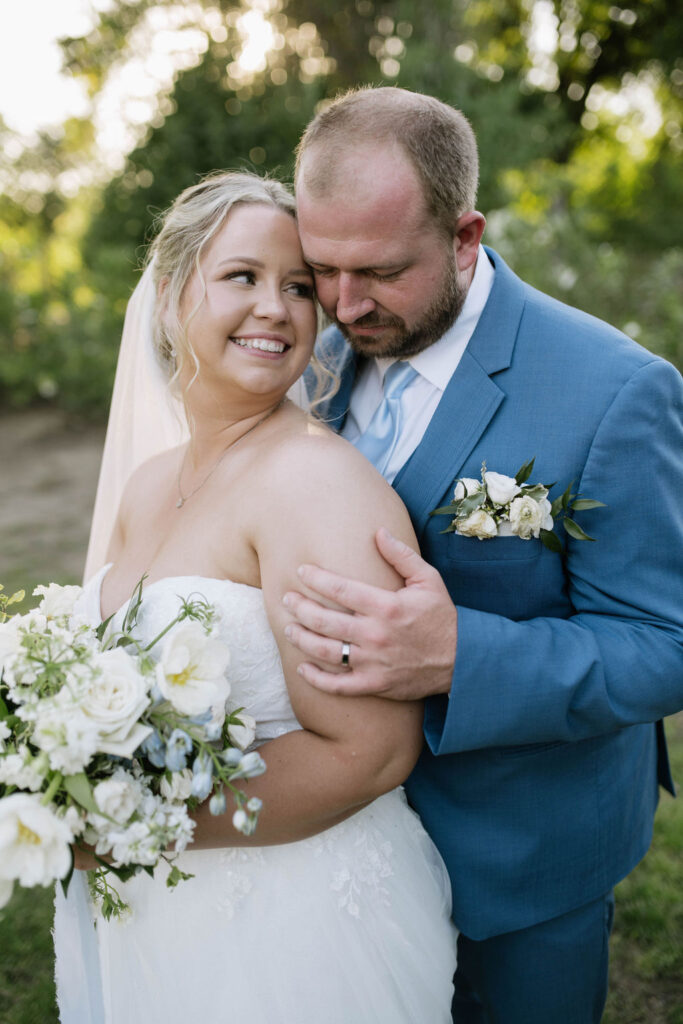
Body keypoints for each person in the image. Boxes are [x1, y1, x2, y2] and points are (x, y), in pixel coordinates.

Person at [284, 87, 683, 1023]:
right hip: (341, 849)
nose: (343, 306)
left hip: (522, 858)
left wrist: (461, 654)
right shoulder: (309, 349)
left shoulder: (615, 392)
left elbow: (665, 642)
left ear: (465, 237)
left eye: (379, 271)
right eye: (321, 268)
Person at [53, 171, 458, 1023]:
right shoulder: (146, 483)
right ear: (168, 297)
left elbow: (370, 752)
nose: (276, 307)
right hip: (153, 910)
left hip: (289, 926)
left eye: (299, 287)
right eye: (243, 276)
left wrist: (126, 828)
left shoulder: (314, 485)